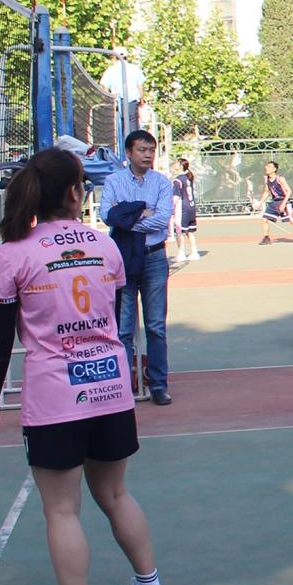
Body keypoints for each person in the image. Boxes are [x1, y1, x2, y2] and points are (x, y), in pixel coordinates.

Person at [0, 148, 172, 585]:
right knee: (116, 495)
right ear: (73, 192)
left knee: (62, 510)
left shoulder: (14, 252)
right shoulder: (104, 245)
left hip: (56, 396)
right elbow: (109, 311)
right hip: (111, 388)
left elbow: (0, 337)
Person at [99, 130, 174, 406]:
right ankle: (122, 385)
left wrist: (127, 215)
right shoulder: (113, 181)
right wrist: (142, 212)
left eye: (151, 150)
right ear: (129, 153)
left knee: (156, 326)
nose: (148, 155)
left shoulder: (162, 183)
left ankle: (158, 384)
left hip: (154, 256)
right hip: (123, 257)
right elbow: (108, 216)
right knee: (123, 328)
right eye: (142, 150)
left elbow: (162, 219)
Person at [257, 161, 293, 246]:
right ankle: (266, 238)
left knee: (292, 220)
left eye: (269, 166)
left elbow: (289, 191)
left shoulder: (280, 178)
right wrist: (260, 202)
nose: (267, 168)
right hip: (275, 202)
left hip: (284, 201)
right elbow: (266, 192)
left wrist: (284, 203)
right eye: (266, 166)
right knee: (264, 219)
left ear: (274, 169)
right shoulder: (267, 179)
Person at [171, 157, 201, 262]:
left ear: (180, 166)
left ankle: (181, 253)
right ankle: (194, 252)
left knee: (179, 231)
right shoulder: (189, 177)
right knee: (190, 231)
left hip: (182, 208)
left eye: (176, 164)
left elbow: (176, 196)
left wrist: (170, 207)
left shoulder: (177, 180)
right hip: (191, 206)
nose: (174, 165)